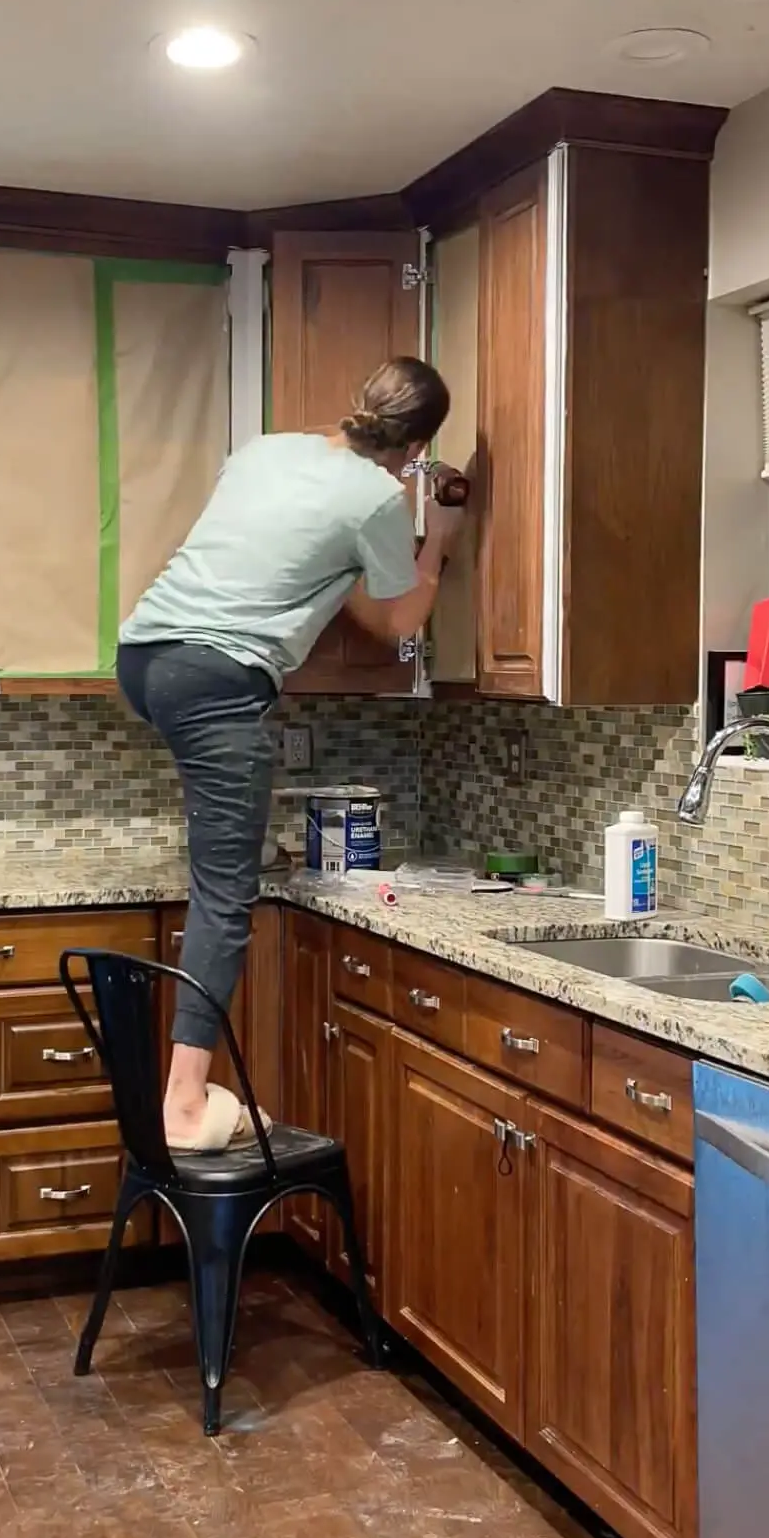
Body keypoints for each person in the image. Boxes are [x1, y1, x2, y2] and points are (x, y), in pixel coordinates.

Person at [117, 357, 463, 1153]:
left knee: (227, 843)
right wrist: (436, 543)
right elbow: (395, 624)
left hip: (143, 659)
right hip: (214, 678)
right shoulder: (379, 496)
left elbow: (283, 561)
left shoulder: (264, 450)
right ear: (416, 450)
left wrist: (340, 564)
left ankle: (238, 837)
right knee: (225, 895)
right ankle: (183, 1104)